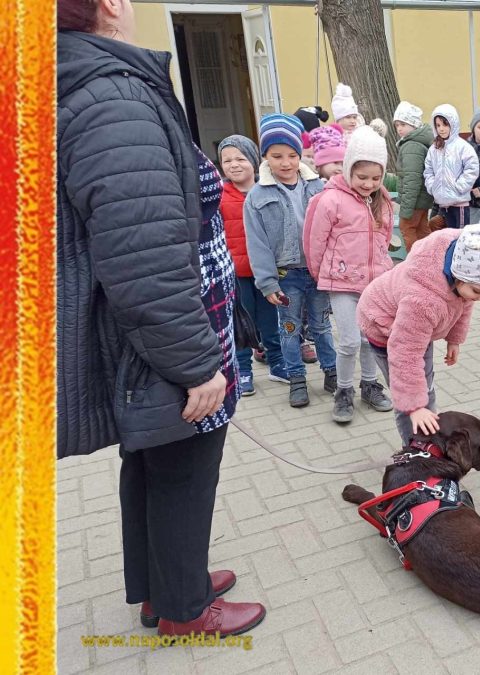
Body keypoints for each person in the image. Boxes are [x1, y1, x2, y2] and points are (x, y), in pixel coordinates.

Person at [57, 0, 264, 636]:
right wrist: (196, 365)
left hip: (155, 334)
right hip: (165, 342)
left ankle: (167, 586)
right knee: (183, 471)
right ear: (109, 7)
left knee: (156, 465)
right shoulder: (112, 98)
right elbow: (142, 258)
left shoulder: (94, 85)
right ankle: (183, 608)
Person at [357, 225, 480, 444]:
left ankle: (429, 437)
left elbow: (463, 302)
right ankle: (416, 452)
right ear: (459, 275)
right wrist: (415, 407)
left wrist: (454, 339)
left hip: (414, 330)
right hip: (384, 328)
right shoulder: (423, 300)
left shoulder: (461, 266)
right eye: (479, 291)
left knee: (425, 389)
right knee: (408, 403)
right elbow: (405, 354)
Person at [303, 125, 395, 423]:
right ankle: (343, 391)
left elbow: (384, 238)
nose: (369, 183)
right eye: (362, 177)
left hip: (374, 284)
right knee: (349, 341)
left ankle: (369, 384)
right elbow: (314, 241)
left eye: (375, 177)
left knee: (371, 339)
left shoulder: (382, 200)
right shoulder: (330, 199)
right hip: (341, 283)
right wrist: (323, 276)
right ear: (348, 169)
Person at [243, 113, 336, 408]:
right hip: (286, 275)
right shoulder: (256, 196)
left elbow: (334, 229)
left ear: (300, 155)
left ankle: (332, 371)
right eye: (277, 156)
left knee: (321, 326)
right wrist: (267, 282)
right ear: (265, 157)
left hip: (318, 272)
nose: (286, 162)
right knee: (290, 329)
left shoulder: (318, 187)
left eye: (292, 155)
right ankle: (296, 378)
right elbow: (256, 244)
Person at [218, 134, 287, 393]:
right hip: (237, 273)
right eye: (227, 160)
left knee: (270, 318)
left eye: (240, 158)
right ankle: (243, 370)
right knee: (242, 321)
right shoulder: (219, 196)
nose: (234, 164)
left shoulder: (266, 191)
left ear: (254, 161)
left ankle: (278, 363)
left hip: (265, 271)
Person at [424, 104, 479, 229]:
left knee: (458, 237)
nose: (441, 129)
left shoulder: (462, 147)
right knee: (443, 237)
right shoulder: (434, 148)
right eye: (438, 125)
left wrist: (459, 187)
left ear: (453, 124)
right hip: (442, 204)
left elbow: (472, 168)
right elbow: (428, 170)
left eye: (445, 124)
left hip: (459, 204)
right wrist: (433, 187)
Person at [393, 101, 435, 251]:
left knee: (407, 228)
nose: (399, 129)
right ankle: (430, 258)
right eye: (397, 125)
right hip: (421, 199)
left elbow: (412, 178)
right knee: (422, 230)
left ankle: (415, 260)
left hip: (415, 200)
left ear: (414, 125)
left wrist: (406, 208)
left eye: (403, 124)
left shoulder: (412, 146)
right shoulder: (416, 143)